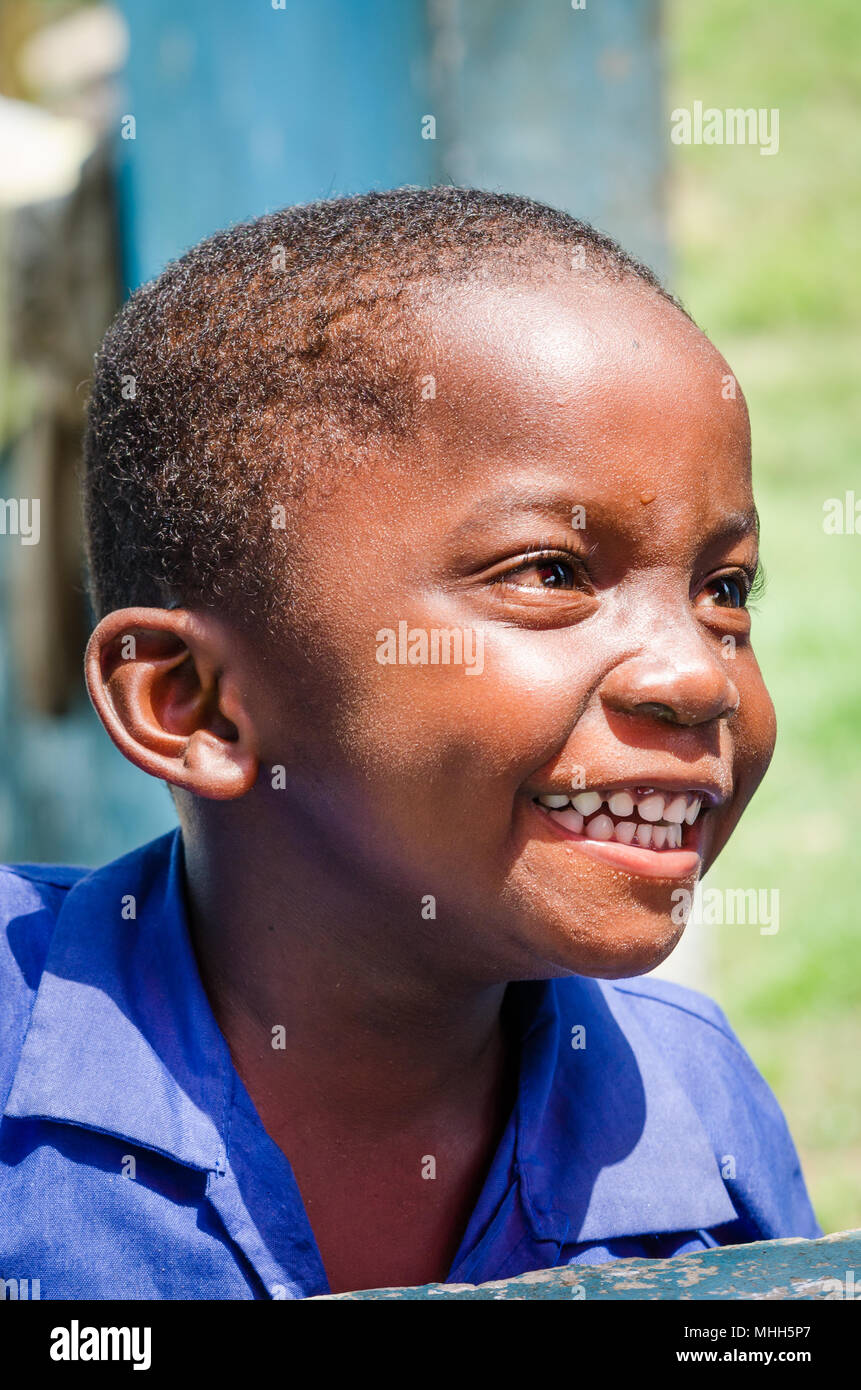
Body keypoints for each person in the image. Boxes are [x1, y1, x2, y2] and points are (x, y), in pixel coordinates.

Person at [0, 188, 821, 1299]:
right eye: (550, 574)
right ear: (190, 701)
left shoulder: (689, 1099)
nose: (694, 676)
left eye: (724, 589)